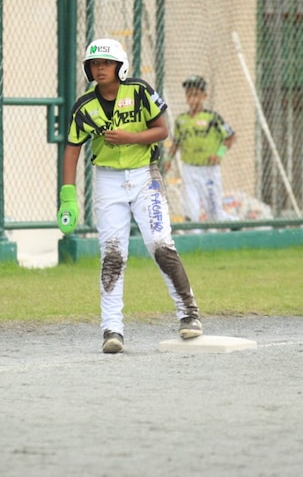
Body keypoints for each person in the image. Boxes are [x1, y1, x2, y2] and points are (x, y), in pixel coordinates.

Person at [58, 38, 203, 354]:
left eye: (106, 63)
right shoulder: (84, 106)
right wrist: (67, 194)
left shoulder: (138, 91)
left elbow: (162, 130)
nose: (100, 68)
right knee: (112, 254)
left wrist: (130, 138)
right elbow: (72, 147)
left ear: (119, 66)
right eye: (94, 64)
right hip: (107, 181)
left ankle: (189, 314)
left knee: (160, 245)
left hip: (143, 176)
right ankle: (112, 329)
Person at [162, 75, 236, 226]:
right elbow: (176, 142)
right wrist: (169, 160)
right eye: (188, 95)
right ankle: (193, 234)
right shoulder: (181, 120)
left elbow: (230, 136)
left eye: (195, 94)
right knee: (190, 208)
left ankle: (233, 225)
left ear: (203, 96)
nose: (191, 98)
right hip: (189, 169)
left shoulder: (212, 118)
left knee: (214, 213)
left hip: (209, 170)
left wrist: (219, 154)